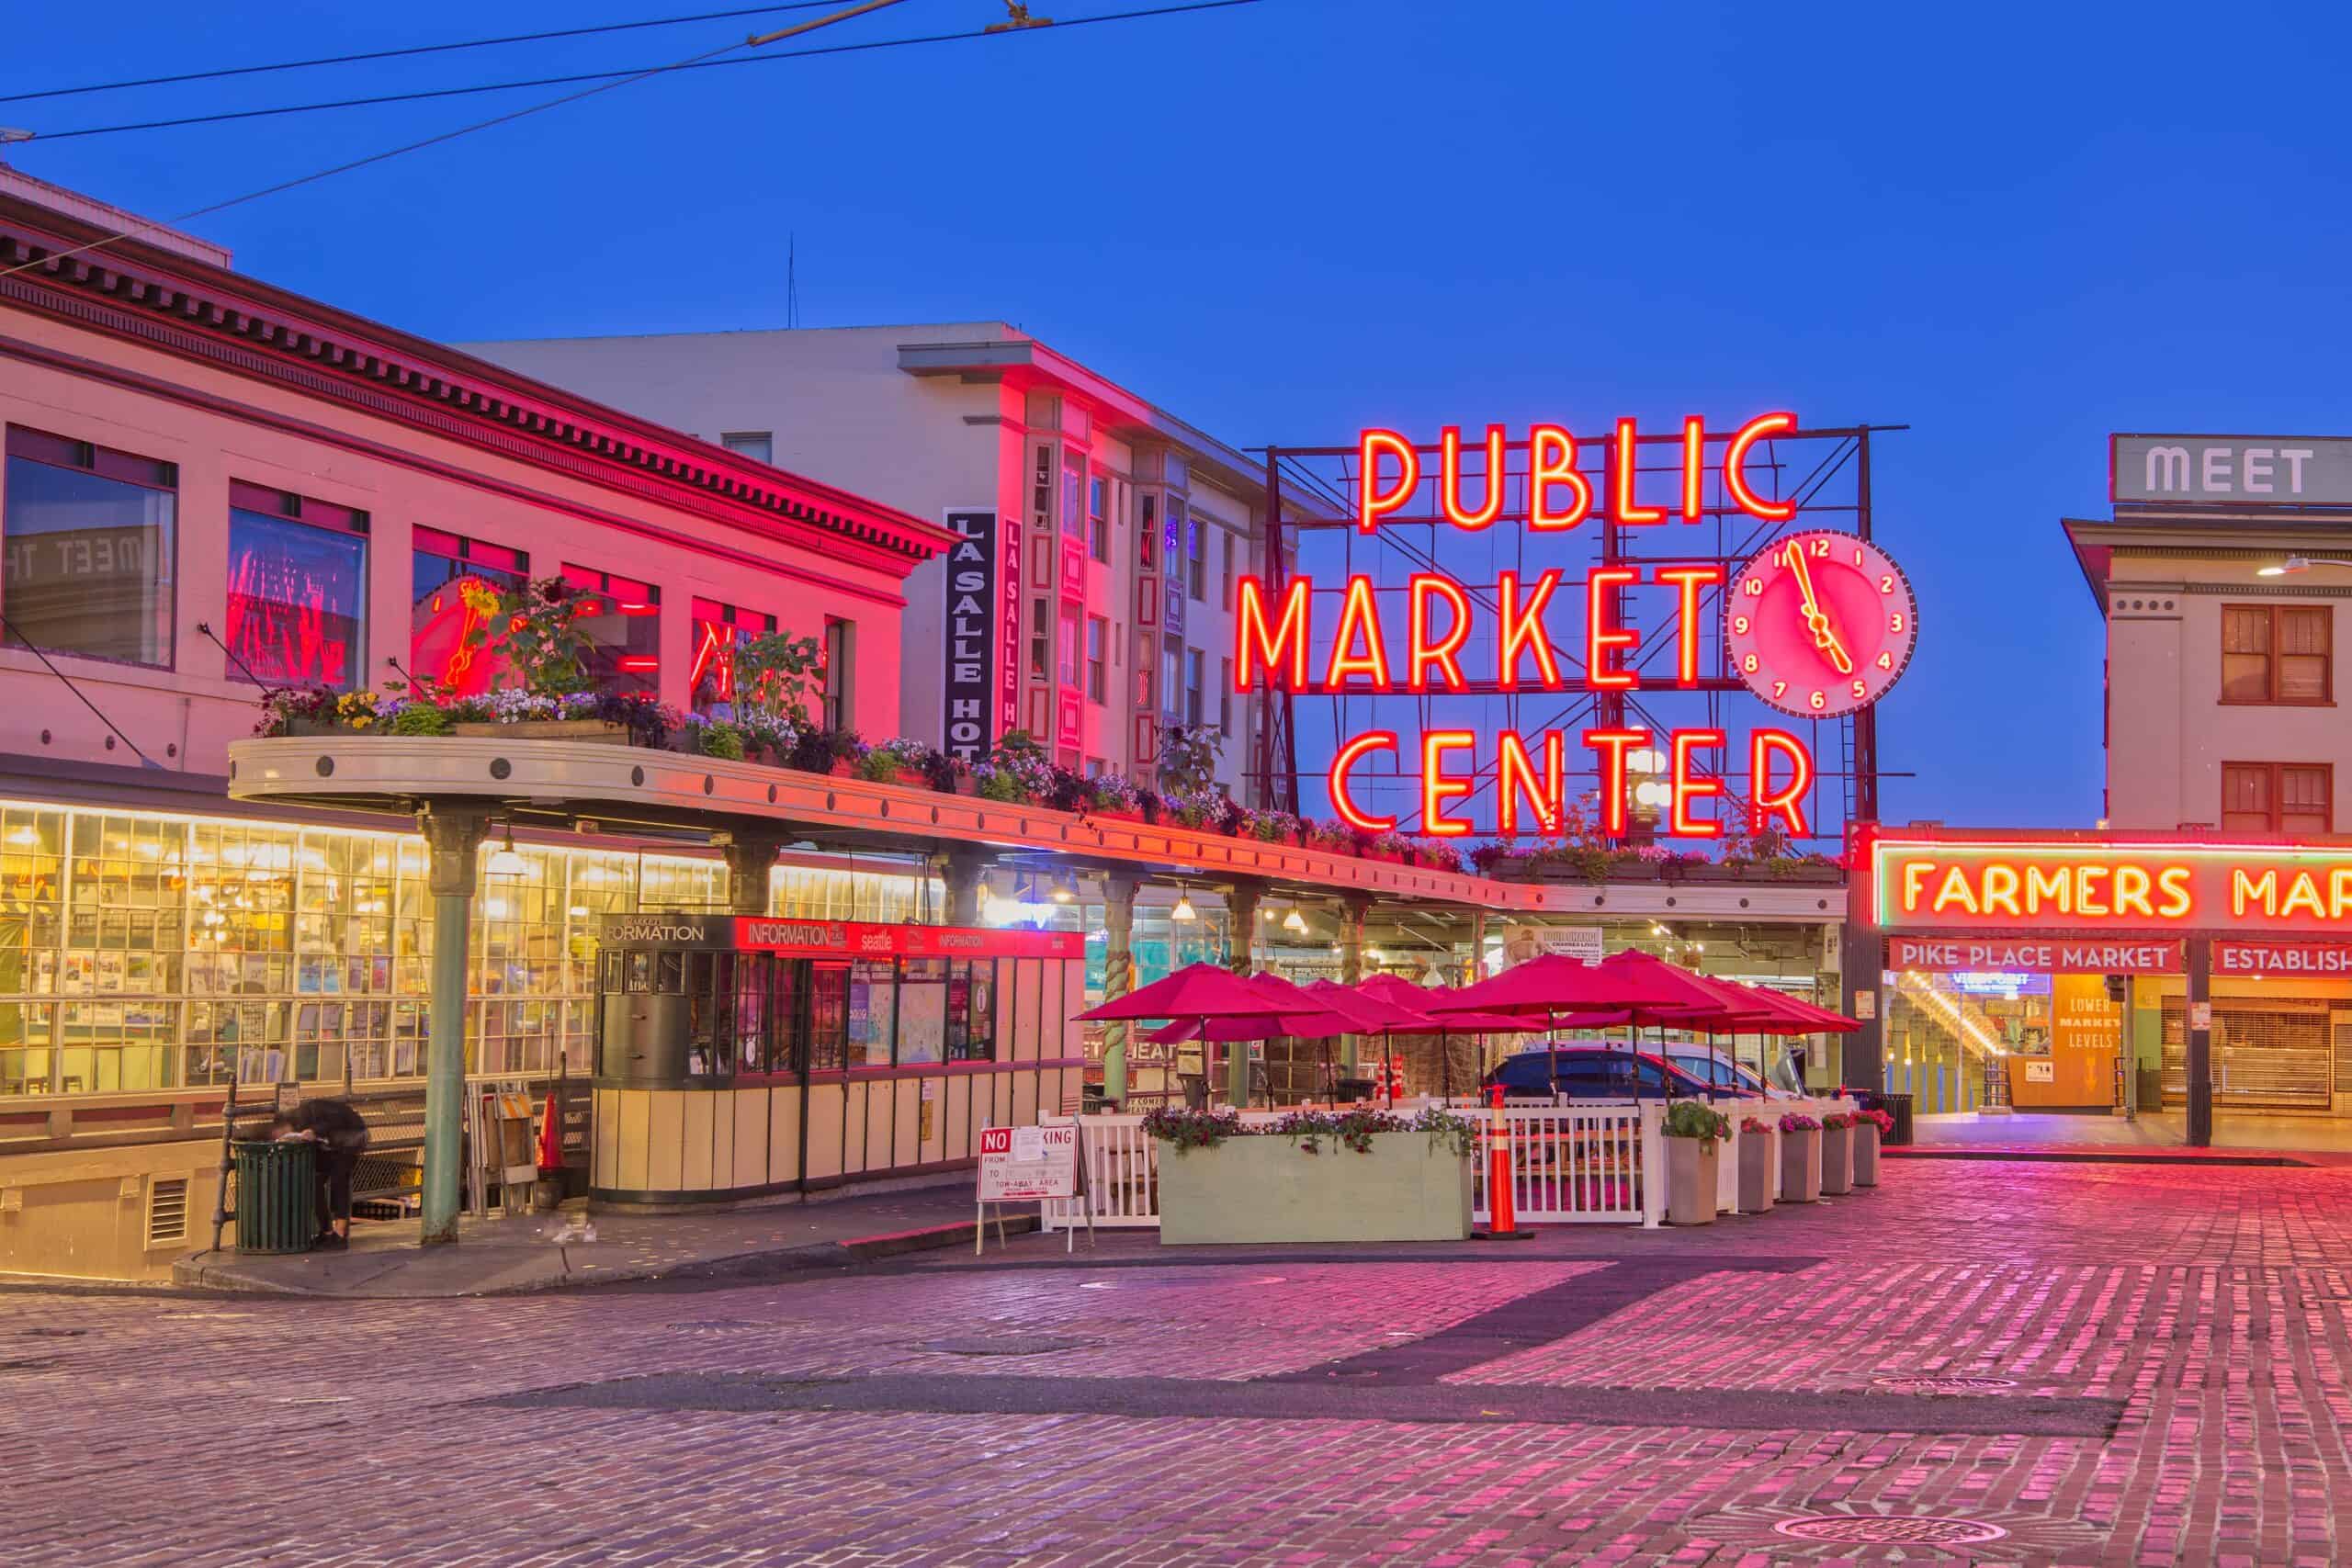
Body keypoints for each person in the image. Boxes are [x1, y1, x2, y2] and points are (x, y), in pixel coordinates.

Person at [270, 1097, 370, 1250]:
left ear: (285, 1124)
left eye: (281, 1132)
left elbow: (332, 1121)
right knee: (314, 1183)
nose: (282, 1135)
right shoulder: (297, 1125)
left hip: (352, 1138)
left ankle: (340, 1234)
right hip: (331, 1146)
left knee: (339, 1180)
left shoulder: (307, 1112)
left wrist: (314, 1131)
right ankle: (326, 1231)